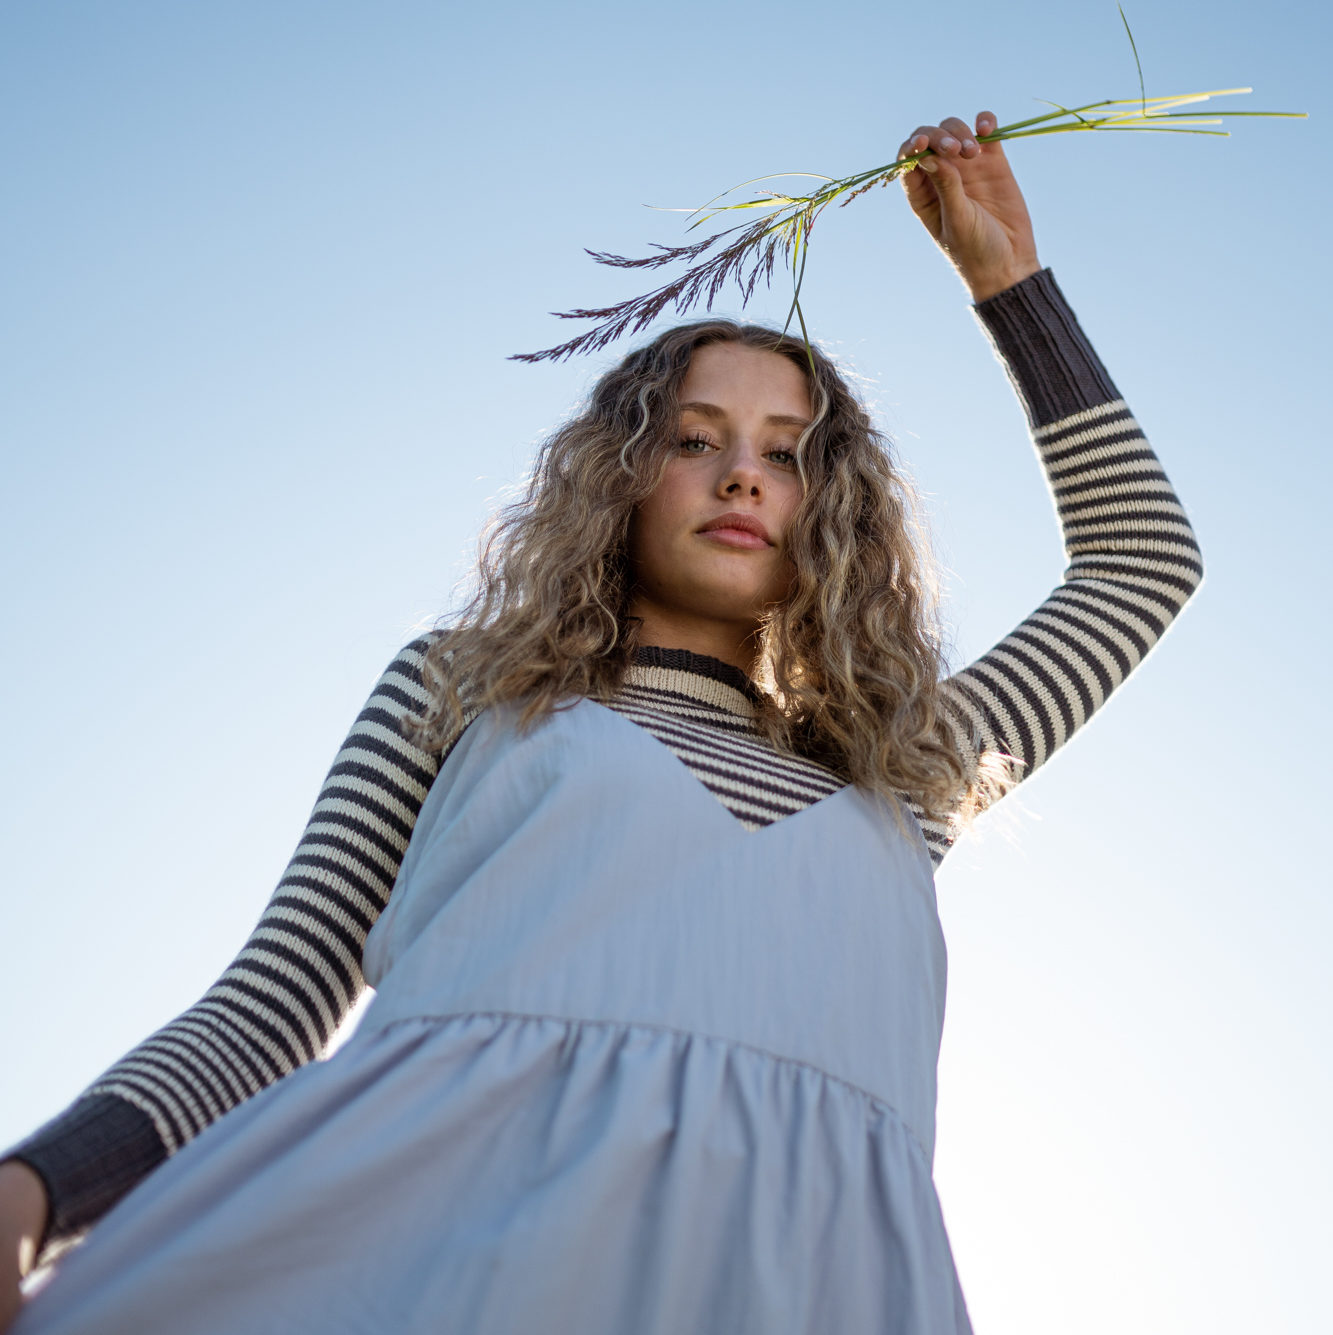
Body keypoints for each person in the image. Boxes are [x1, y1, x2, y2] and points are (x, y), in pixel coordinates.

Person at [0, 111, 1203, 1334]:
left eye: (787, 455)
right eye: (694, 439)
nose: (742, 476)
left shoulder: (907, 772)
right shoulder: (463, 689)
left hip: (811, 1286)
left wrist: (1009, 283)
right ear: (621, 475)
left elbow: (1140, 563)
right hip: (409, 1252)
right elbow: (276, 1002)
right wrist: (29, 1197)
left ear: (831, 510)